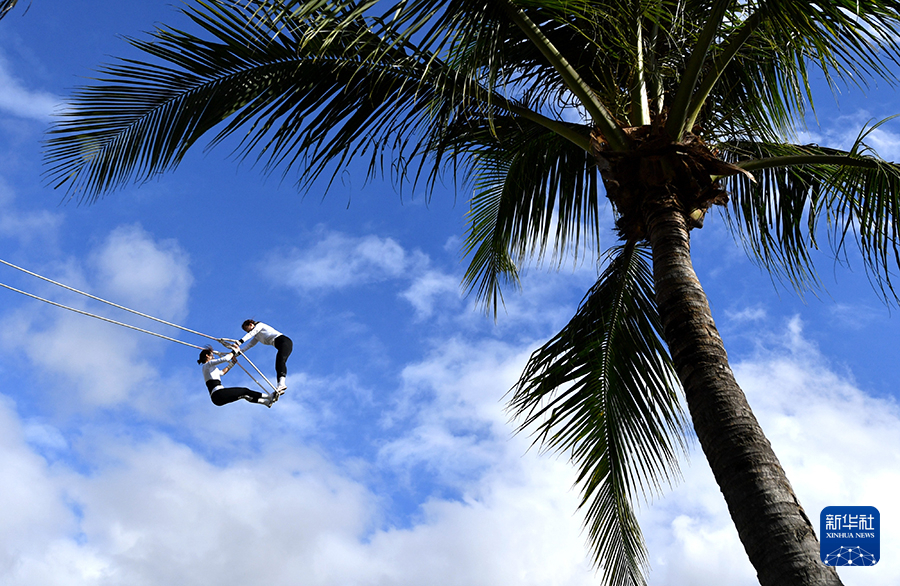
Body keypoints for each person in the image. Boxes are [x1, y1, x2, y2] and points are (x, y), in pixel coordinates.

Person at [198, 346, 275, 407]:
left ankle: (266, 402)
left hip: (216, 399)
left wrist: (232, 364)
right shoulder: (207, 365)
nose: (214, 357)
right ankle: (269, 397)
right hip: (218, 394)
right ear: (207, 355)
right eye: (212, 355)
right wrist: (234, 351)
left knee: (245, 395)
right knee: (245, 390)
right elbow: (225, 358)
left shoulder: (209, 369)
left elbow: (222, 373)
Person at [233, 319, 292, 395]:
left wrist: (239, 342)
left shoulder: (260, 325)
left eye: (249, 330)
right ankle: (280, 386)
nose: (249, 332)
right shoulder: (257, 336)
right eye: (248, 332)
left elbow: (251, 334)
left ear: (251, 324)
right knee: (278, 364)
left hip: (284, 341)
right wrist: (236, 353)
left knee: (280, 361)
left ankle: (281, 384)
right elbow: (249, 345)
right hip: (280, 344)